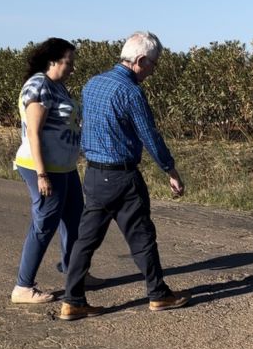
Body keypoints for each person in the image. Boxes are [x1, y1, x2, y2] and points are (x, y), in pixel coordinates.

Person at [60, 31, 191, 320]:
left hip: (93, 174)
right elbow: (150, 136)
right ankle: (158, 294)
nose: (152, 72)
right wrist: (171, 170)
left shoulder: (92, 84)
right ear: (140, 60)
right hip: (122, 177)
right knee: (142, 236)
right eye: (153, 65)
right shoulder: (131, 92)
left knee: (86, 239)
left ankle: (72, 300)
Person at [11, 38, 103, 304]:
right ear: (52, 61)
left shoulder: (57, 86)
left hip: (64, 167)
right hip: (43, 168)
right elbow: (34, 133)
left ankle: (75, 272)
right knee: (45, 224)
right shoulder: (39, 86)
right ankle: (23, 286)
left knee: (75, 221)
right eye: (68, 63)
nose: (72, 68)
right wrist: (42, 175)